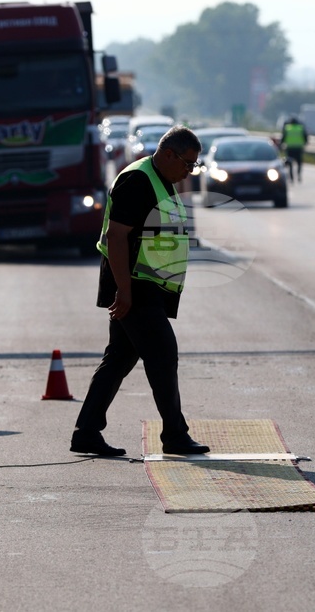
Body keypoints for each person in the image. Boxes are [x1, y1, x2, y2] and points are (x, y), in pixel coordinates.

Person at [71, 126, 210, 457]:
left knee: (119, 356)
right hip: (133, 283)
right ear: (167, 154)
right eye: (187, 164)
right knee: (163, 352)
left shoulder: (159, 179)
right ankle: (175, 434)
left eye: (194, 166)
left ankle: (87, 432)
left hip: (143, 283)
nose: (189, 171)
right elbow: (117, 237)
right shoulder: (138, 180)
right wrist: (125, 291)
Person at [280, 116, 308, 182]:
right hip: (298, 148)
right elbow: (305, 138)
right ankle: (298, 175)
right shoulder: (301, 128)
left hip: (290, 148)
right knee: (299, 163)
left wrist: (281, 145)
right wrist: (304, 143)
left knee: (290, 164)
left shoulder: (287, 128)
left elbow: (283, 138)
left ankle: (291, 178)